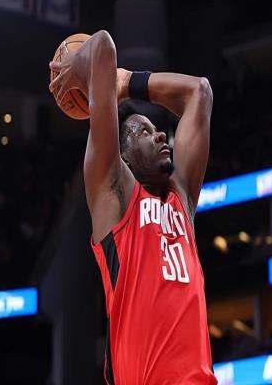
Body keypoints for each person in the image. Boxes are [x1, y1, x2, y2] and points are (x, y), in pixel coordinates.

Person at [49, 30, 217, 384]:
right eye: (144, 132)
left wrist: (129, 83)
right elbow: (102, 46)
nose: (161, 135)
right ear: (122, 157)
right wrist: (82, 65)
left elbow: (199, 92)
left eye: (157, 130)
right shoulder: (113, 196)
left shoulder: (181, 200)